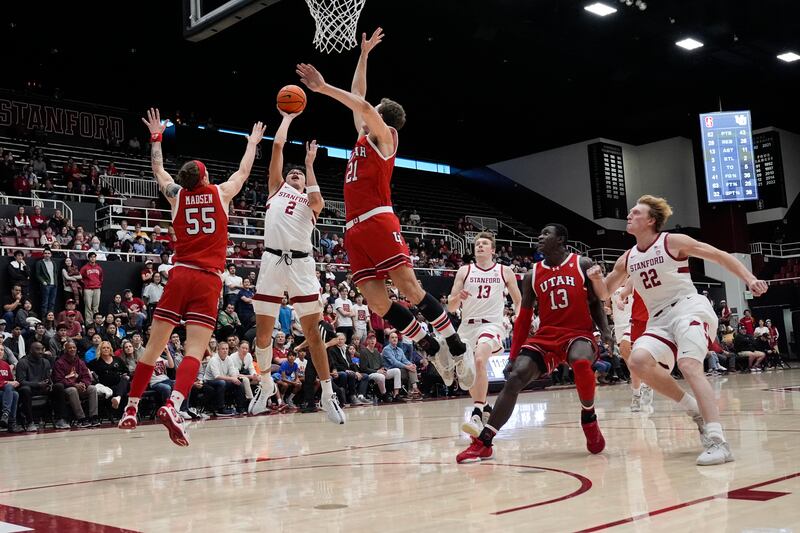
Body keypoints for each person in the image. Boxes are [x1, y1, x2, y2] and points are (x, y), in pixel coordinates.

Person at [296, 28, 470, 382]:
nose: (363, 113)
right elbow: (359, 94)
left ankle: (456, 346)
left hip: (378, 220)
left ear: (381, 118)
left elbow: (359, 103)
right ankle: (433, 350)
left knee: (409, 288)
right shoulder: (364, 135)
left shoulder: (385, 137)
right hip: (354, 229)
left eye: (371, 112)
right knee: (377, 302)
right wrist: (363, 55)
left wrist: (323, 87)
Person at [118, 108, 265, 446]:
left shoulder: (177, 195)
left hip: (180, 274)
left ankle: (130, 408)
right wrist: (253, 142)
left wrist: (156, 138)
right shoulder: (221, 193)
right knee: (194, 351)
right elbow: (244, 170)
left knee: (153, 348)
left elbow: (157, 168)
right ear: (205, 176)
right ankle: (174, 405)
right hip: (208, 279)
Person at [590, 195, 768, 466]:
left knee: (688, 364)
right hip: (658, 320)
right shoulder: (627, 258)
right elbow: (606, 292)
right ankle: (693, 409)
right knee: (637, 361)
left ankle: (717, 440)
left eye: (635, 212)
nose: (629, 216)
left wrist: (750, 278)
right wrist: (595, 280)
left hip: (688, 308)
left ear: (650, 220)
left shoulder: (671, 242)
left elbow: (719, 256)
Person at [457, 223, 611, 464]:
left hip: (577, 332)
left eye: (546, 233)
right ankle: (484, 443)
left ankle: (589, 417)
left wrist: (605, 331)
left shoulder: (582, 264)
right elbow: (524, 319)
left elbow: (595, 303)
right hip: (546, 336)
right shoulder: (532, 274)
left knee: (581, 361)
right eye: (540, 233)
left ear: (560, 239)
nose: (540, 236)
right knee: (516, 377)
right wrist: (513, 356)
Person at [247, 108, 344, 425]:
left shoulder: (312, 203)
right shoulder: (276, 189)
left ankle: (328, 396)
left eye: (299, 175)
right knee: (263, 336)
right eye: (293, 174)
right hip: (272, 260)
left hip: (302, 266)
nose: (295, 176)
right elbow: (276, 148)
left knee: (314, 335)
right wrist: (287, 118)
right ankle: (265, 384)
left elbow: (318, 199)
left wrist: (310, 164)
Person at [447, 232, 521, 437]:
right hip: (466, 328)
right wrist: (457, 298)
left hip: (491, 325)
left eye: (484, 243)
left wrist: (519, 319)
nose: (479, 246)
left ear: (493, 250)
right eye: (477, 244)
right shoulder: (464, 270)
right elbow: (451, 307)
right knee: (469, 370)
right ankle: (486, 406)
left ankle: (477, 413)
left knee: (479, 359)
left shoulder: (504, 271)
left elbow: (518, 300)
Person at [614, 279, 653, 412]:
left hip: (653, 320)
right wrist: (619, 300)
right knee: (630, 359)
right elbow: (622, 294)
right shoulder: (632, 279)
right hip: (632, 322)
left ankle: (648, 384)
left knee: (641, 357)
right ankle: (637, 394)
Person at [80, 252, 104, 320]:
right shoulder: (84, 268)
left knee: (96, 307)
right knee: (88, 307)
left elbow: (101, 278)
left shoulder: (99, 268)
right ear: (89, 258)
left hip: (97, 288)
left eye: (94, 257)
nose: (93, 258)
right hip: (88, 289)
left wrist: (98, 284)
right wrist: (85, 284)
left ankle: (96, 321)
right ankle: (89, 323)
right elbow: (80, 277)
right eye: (91, 257)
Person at [35, 247, 58, 318]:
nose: (47, 255)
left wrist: (55, 282)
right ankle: (44, 319)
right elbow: (37, 274)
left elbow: (55, 273)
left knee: (52, 303)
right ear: (43, 254)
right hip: (46, 285)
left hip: (54, 285)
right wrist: (43, 281)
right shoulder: (39, 263)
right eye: (45, 253)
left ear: (51, 254)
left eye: (48, 253)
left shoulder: (53, 263)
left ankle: (51, 319)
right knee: (45, 303)